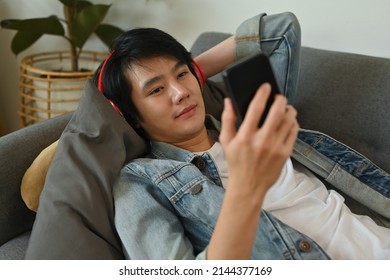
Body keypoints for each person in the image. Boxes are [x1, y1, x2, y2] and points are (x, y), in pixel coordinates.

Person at [94, 12, 390, 259]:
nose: (181, 92)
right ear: (131, 115)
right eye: (156, 89)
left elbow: (281, 29)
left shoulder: (253, 120)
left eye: (182, 75)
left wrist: (193, 70)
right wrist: (246, 188)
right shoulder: (140, 182)